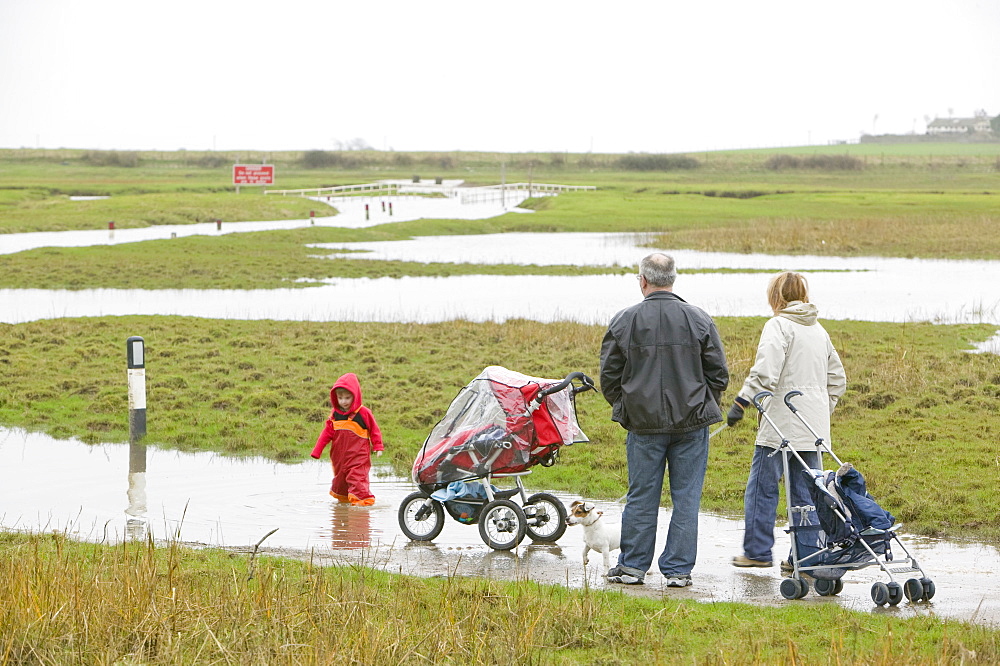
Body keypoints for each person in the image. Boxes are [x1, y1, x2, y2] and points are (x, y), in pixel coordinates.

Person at [599, 253, 729, 587]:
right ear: (673, 279)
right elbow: (719, 374)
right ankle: (678, 571)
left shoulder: (624, 320)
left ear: (642, 280)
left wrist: (627, 408)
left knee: (642, 496)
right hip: (691, 424)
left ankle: (632, 568)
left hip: (643, 425)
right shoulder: (698, 318)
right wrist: (702, 405)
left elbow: (608, 377)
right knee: (687, 497)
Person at [727, 271, 847, 570]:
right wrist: (821, 408)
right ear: (803, 295)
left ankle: (757, 552)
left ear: (776, 297)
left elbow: (765, 372)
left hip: (780, 423)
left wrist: (742, 401)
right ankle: (806, 557)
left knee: (762, 487)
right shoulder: (818, 330)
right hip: (813, 427)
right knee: (809, 491)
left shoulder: (778, 325)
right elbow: (838, 380)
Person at [311, 372, 384, 506]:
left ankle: (362, 512)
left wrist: (378, 446)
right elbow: (326, 433)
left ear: (355, 396)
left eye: (347, 397)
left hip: (358, 457)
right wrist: (317, 451)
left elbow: (374, 430)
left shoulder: (363, 413)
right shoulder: (335, 414)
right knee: (341, 484)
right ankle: (344, 510)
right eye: (340, 398)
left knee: (358, 482)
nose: (343, 401)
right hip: (339, 458)